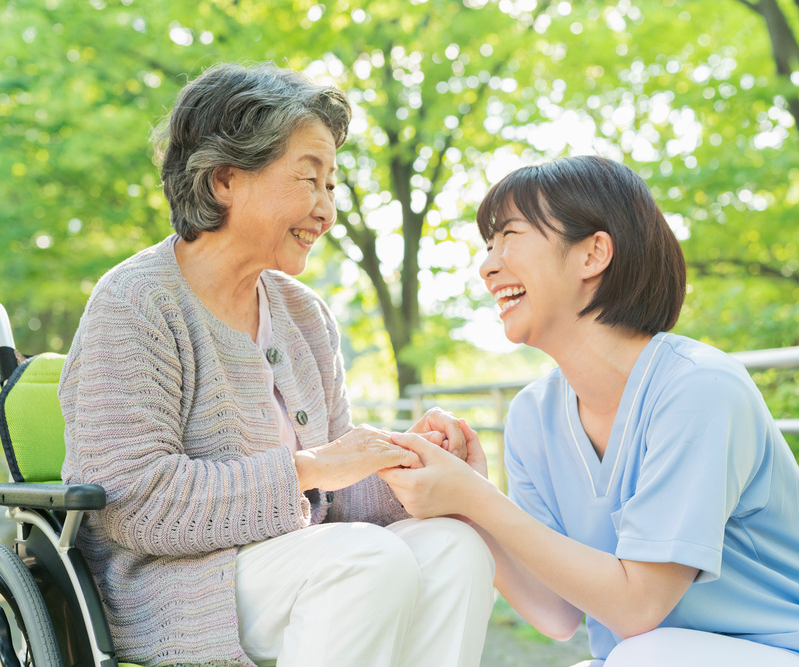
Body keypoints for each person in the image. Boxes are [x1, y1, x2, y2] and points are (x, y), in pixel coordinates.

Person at [379, 155, 799, 667]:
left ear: (593, 254)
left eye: (510, 235)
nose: (488, 265)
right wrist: (468, 500)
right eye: (489, 245)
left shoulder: (699, 388)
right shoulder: (533, 416)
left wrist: (478, 497)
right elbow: (557, 613)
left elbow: (639, 607)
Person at [59, 62, 494, 667]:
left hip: (306, 561)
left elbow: (339, 502)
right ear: (224, 180)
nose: (327, 209)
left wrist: (404, 462)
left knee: (456, 547)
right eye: (309, 179)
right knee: (369, 561)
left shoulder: (303, 313)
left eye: (332, 185)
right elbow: (134, 503)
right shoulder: (136, 302)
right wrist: (310, 467)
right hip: (176, 584)